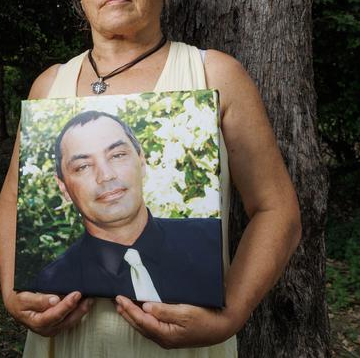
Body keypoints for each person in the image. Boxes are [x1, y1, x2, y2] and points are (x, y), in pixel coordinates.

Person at [0, 0, 301, 357]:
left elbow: (277, 210)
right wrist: (12, 293)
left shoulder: (215, 76)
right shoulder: (48, 86)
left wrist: (231, 313)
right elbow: (12, 200)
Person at [28, 110, 224, 308]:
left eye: (118, 155)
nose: (106, 176)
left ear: (142, 161)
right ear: (64, 188)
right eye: (83, 166)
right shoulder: (51, 285)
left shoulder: (214, 240)